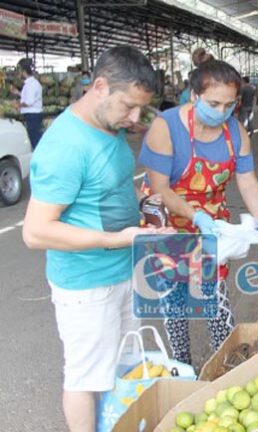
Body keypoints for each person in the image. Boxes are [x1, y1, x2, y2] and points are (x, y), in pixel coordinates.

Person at [22, 46, 160, 432]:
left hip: (121, 270)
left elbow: (108, 188)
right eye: (128, 106)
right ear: (99, 86)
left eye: (140, 109)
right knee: (86, 378)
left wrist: (142, 203)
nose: (134, 118)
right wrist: (118, 238)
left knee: (122, 367)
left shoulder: (110, 128)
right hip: (87, 283)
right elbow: (35, 232)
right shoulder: (66, 145)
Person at [139, 59, 258, 364]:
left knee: (214, 297)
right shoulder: (165, 128)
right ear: (193, 96)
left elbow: (247, 182)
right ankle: (181, 369)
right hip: (168, 222)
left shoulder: (236, 133)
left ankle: (226, 366)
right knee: (175, 304)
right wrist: (196, 217)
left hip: (212, 225)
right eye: (213, 103)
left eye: (229, 105)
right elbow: (160, 190)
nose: (221, 112)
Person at [12, 60, 43, 149]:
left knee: (35, 140)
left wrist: (18, 105)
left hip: (33, 116)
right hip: (33, 116)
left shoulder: (31, 85)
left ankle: (39, 159)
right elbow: (29, 97)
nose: (19, 74)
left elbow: (29, 102)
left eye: (20, 71)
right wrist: (18, 93)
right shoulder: (31, 84)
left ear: (24, 72)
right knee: (34, 138)